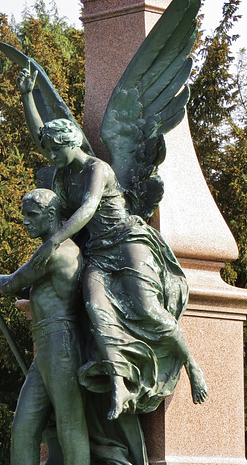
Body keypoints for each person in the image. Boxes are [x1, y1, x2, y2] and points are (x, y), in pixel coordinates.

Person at [18, 67, 208, 423]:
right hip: (98, 256)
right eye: (50, 150)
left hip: (126, 241)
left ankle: (192, 364)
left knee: (148, 309)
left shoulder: (96, 169)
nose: (51, 156)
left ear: (71, 143)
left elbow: (88, 209)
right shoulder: (62, 173)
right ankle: (119, 383)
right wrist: (28, 96)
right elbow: (38, 136)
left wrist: (54, 242)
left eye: (56, 150)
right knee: (95, 306)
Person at [0, 189, 91, 465]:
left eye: (31, 215)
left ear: (51, 214)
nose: (25, 221)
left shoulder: (58, 252)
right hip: (43, 345)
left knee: (72, 424)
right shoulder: (49, 249)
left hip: (61, 342)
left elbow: (16, 281)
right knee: (24, 427)